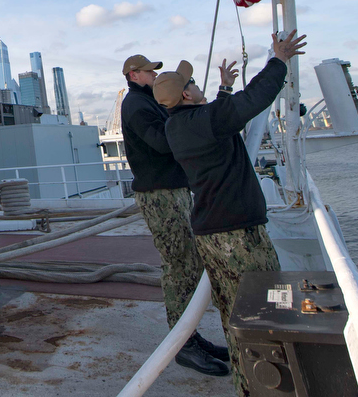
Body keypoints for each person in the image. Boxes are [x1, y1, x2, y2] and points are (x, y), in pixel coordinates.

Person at [154, 30, 307, 397]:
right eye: (192, 81)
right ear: (188, 94)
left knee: (233, 315)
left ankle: (247, 385)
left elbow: (218, 118)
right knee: (265, 310)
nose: (195, 83)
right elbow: (253, 100)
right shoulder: (206, 120)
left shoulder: (176, 127)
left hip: (209, 234)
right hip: (237, 236)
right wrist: (279, 60)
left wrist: (223, 88)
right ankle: (271, 386)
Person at [120, 53, 230, 377]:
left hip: (171, 190)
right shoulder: (137, 106)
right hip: (159, 195)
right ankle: (182, 345)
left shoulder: (148, 103)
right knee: (179, 264)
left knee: (190, 262)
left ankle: (189, 335)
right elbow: (161, 142)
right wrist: (182, 114)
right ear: (134, 75)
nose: (155, 75)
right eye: (150, 71)